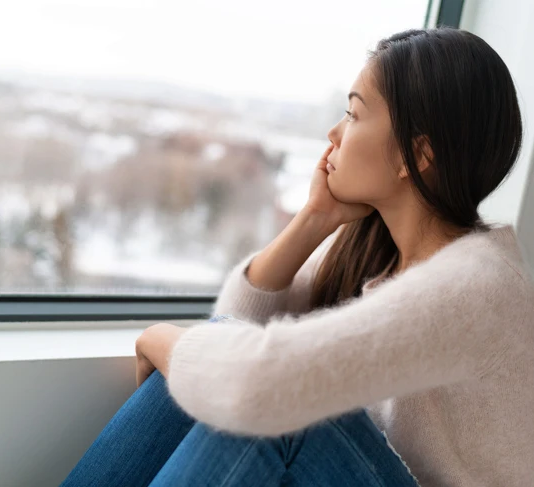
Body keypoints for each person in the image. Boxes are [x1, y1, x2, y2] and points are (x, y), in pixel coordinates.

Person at [60, 26, 534, 486]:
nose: (334, 133)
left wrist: (159, 337)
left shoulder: (477, 285)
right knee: (212, 367)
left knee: (275, 405)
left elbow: (248, 385)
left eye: (353, 114)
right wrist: (314, 218)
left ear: (417, 155)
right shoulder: (379, 250)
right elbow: (233, 333)